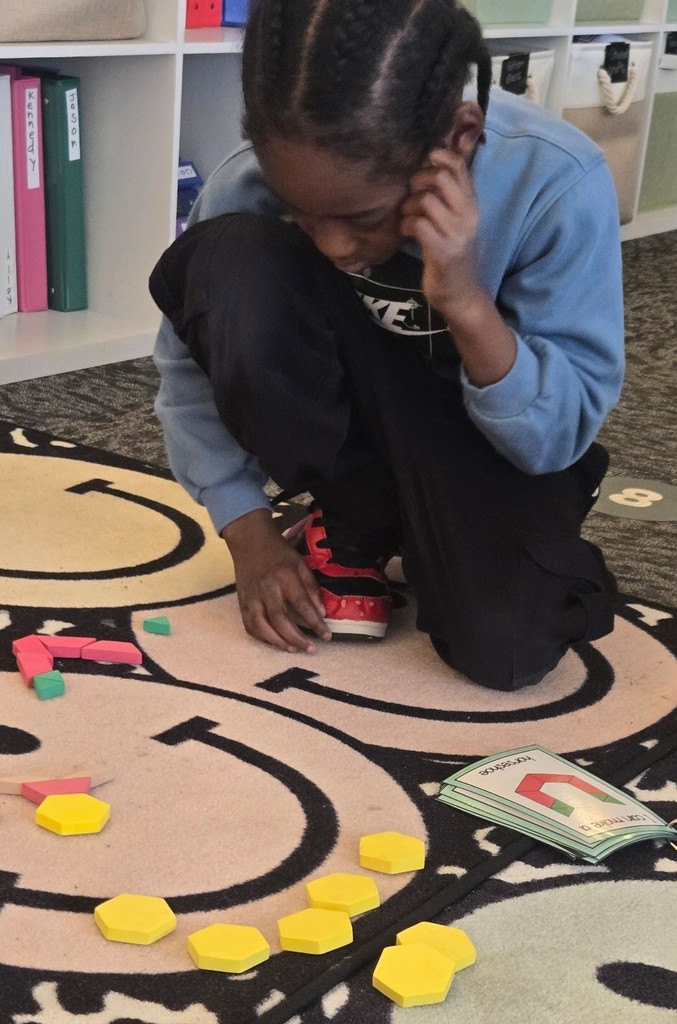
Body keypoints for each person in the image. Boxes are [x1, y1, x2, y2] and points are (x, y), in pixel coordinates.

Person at [150, 0, 624, 692]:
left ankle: (433, 533)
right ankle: (352, 515)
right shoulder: (250, 180)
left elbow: (551, 439)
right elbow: (190, 372)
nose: (334, 247)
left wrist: (463, 300)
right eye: (301, 214)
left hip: (489, 444)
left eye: (362, 217)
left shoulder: (552, 181)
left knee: (506, 649)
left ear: (458, 136)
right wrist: (246, 532)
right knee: (226, 260)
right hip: (356, 429)